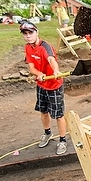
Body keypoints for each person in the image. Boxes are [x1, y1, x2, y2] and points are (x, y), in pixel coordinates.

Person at [20, 21, 68, 155]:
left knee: (58, 115)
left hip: (54, 85)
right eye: (25, 34)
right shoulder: (28, 48)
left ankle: (63, 140)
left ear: (37, 32)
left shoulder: (45, 46)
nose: (28, 36)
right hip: (41, 85)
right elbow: (31, 67)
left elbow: (52, 60)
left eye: (31, 33)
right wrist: (39, 74)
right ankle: (47, 133)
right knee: (43, 111)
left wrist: (56, 71)